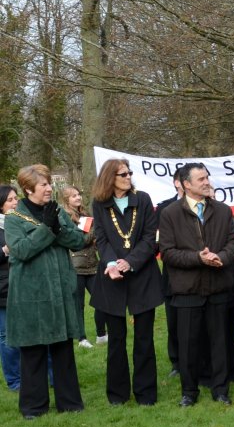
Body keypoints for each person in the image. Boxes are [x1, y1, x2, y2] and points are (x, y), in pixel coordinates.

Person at [5, 164, 85, 419]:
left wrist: (55, 226)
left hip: (60, 289)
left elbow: (78, 240)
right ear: (28, 189)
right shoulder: (14, 219)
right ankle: (33, 407)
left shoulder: (58, 212)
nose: (50, 188)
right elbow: (22, 250)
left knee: (63, 347)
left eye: (50, 183)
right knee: (33, 351)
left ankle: (70, 403)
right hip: (30, 293)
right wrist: (47, 228)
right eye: (44, 185)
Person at [159, 162, 234, 407]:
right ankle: (189, 392)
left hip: (218, 286)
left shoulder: (223, 210)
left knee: (220, 342)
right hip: (187, 289)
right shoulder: (170, 214)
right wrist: (198, 258)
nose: (206, 182)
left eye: (207, 177)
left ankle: (220, 390)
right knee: (187, 344)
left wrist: (222, 257)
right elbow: (168, 253)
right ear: (186, 184)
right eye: (201, 179)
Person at [91, 158, 163, 407]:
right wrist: (111, 264)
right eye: (123, 173)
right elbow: (100, 238)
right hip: (112, 279)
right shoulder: (100, 204)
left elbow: (149, 238)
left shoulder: (142, 199)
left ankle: (146, 394)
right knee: (117, 340)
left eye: (129, 173)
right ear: (110, 177)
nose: (128, 176)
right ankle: (117, 395)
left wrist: (130, 262)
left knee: (144, 339)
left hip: (142, 275)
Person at [61, 186, 108, 349]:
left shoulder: (86, 214)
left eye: (79, 194)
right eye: (74, 196)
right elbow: (78, 241)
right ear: (67, 199)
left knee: (101, 300)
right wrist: (94, 233)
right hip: (76, 267)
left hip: (92, 264)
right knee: (78, 305)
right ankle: (81, 338)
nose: (78, 197)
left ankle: (101, 334)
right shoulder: (65, 217)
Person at [155, 168, 185, 378]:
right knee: (174, 319)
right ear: (177, 183)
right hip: (173, 273)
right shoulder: (164, 208)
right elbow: (158, 242)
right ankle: (176, 362)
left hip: (200, 272)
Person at [0, 185, 20, 391]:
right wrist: (5, 250)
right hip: (3, 289)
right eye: (10, 200)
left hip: (23, 286)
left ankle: (45, 375)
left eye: (16, 199)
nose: (15, 203)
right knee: (7, 336)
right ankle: (14, 380)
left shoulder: (22, 222)